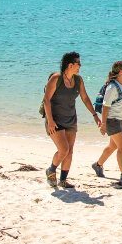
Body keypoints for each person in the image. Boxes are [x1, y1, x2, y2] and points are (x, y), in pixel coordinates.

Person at [41, 52, 100, 190]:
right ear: (70, 65)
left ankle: (63, 180)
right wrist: (50, 121)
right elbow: (46, 100)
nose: (80, 65)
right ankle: (51, 170)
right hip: (54, 120)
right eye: (78, 63)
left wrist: (94, 115)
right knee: (63, 149)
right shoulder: (56, 78)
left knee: (70, 151)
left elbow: (85, 98)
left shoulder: (78, 80)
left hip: (71, 120)